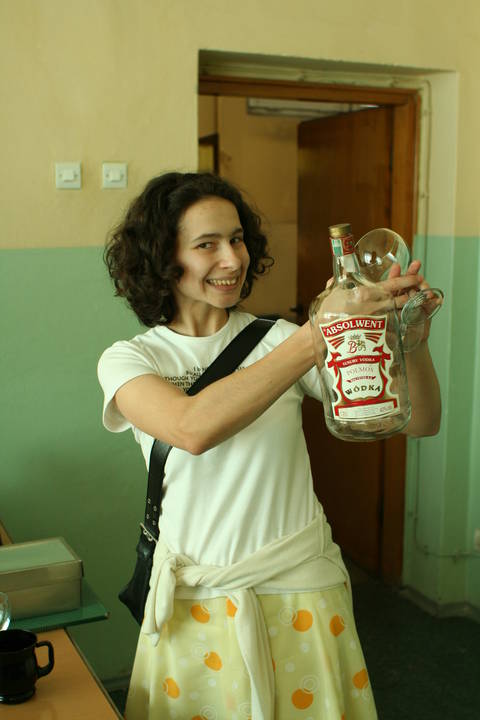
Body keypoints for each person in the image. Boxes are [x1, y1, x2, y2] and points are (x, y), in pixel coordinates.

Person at [97, 172, 441, 720]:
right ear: (162, 258)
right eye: (206, 244)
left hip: (302, 590)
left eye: (236, 239)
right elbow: (191, 428)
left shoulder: (278, 339)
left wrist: (410, 341)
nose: (231, 259)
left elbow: (419, 421)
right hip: (195, 601)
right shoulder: (132, 359)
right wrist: (317, 333)